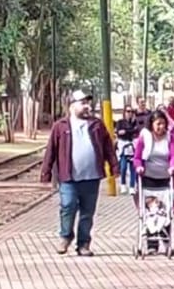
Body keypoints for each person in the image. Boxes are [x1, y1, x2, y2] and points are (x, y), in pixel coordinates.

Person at [40, 90, 117, 257]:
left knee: (87, 212)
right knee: (67, 206)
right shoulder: (60, 126)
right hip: (69, 177)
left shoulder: (97, 125)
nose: (87, 106)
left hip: (91, 177)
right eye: (83, 103)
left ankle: (84, 244)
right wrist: (45, 173)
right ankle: (65, 236)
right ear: (72, 106)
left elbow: (108, 148)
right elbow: (50, 151)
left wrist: (114, 167)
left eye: (88, 103)